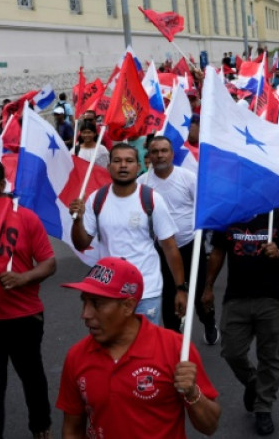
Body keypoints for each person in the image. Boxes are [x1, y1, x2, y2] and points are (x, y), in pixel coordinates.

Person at [57, 257, 221, 438]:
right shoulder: (76, 356)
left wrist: (192, 393)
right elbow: (72, 428)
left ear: (128, 306)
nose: (85, 314)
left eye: (97, 303)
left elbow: (210, 426)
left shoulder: (176, 349)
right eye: (84, 302)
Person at [0, 157, 57, 439]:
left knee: (32, 377)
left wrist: (23, 278)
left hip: (23, 319)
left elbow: (49, 263)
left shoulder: (25, 217)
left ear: (2, 185)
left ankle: (41, 425)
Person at [202, 209, 279, 436]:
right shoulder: (228, 215)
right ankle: (254, 382)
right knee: (231, 352)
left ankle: (263, 407)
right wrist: (208, 287)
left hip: (272, 298)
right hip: (237, 297)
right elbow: (218, 251)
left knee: (270, 356)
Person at [70, 143, 188, 326]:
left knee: (146, 350)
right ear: (109, 167)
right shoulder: (97, 199)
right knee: (112, 348)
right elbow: (82, 244)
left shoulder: (152, 199)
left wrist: (180, 289)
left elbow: (170, 248)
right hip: (109, 291)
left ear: (138, 167)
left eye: (129, 161)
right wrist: (77, 220)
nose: (123, 165)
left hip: (146, 292)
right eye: (117, 161)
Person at [137, 136, 219, 343]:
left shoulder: (188, 177)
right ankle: (174, 339)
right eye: (155, 152)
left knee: (200, 293)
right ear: (149, 156)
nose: (160, 155)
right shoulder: (142, 183)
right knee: (168, 296)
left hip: (190, 245)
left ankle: (209, 322)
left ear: (172, 154)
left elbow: (205, 206)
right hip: (161, 250)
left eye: (164, 150)